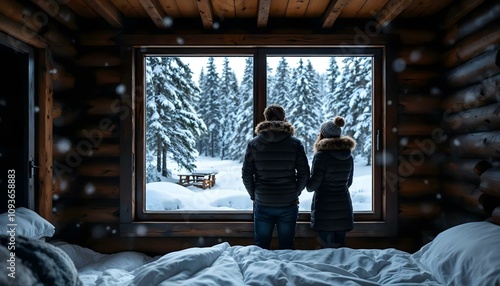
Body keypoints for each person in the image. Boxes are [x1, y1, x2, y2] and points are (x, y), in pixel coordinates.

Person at [242, 104, 310, 250]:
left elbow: (246, 174)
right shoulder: (295, 144)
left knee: (261, 248)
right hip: (288, 202)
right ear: (284, 119)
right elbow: (304, 173)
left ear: (265, 120)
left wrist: (254, 195)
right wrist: (295, 192)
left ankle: (260, 273)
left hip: (263, 201)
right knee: (286, 247)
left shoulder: (254, 144)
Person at [306, 116, 356, 248]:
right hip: (343, 208)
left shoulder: (321, 156)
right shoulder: (348, 156)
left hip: (324, 209)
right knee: (341, 252)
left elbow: (312, 186)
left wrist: (304, 176)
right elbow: (348, 183)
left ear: (322, 135)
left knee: (327, 253)